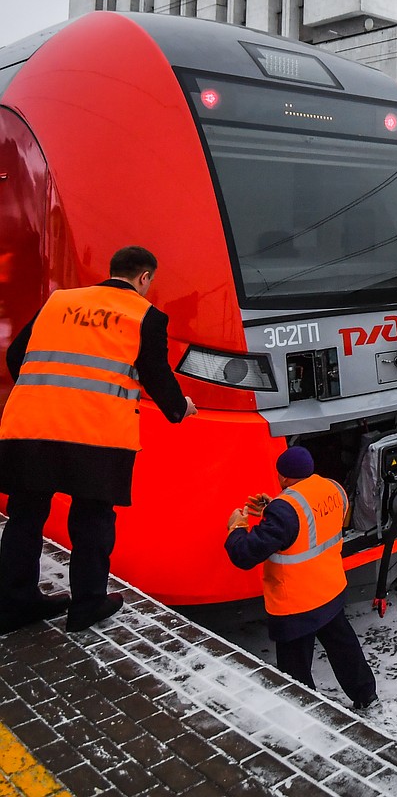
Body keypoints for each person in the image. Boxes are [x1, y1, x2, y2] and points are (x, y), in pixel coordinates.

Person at [0, 245, 197, 635]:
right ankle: (86, 605)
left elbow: (16, 354)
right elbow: (157, 375)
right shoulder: (146, 316)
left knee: (25, 514)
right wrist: (180, 409)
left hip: (30, 425)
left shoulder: (59, 302)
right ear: (144, 278)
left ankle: (13, 604)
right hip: (96, 434)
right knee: (92, 518)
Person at [225, 446, 377, 710]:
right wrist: (275, 508)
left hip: (295, 603)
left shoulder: (286, 511)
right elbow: (311, 524)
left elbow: (245, 555)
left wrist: (236, 527)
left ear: (283, 478)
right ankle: (366, 696)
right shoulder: (333, 489)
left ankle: (302, 712)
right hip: (329, 589)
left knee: (295, 668)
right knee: (344, 647)